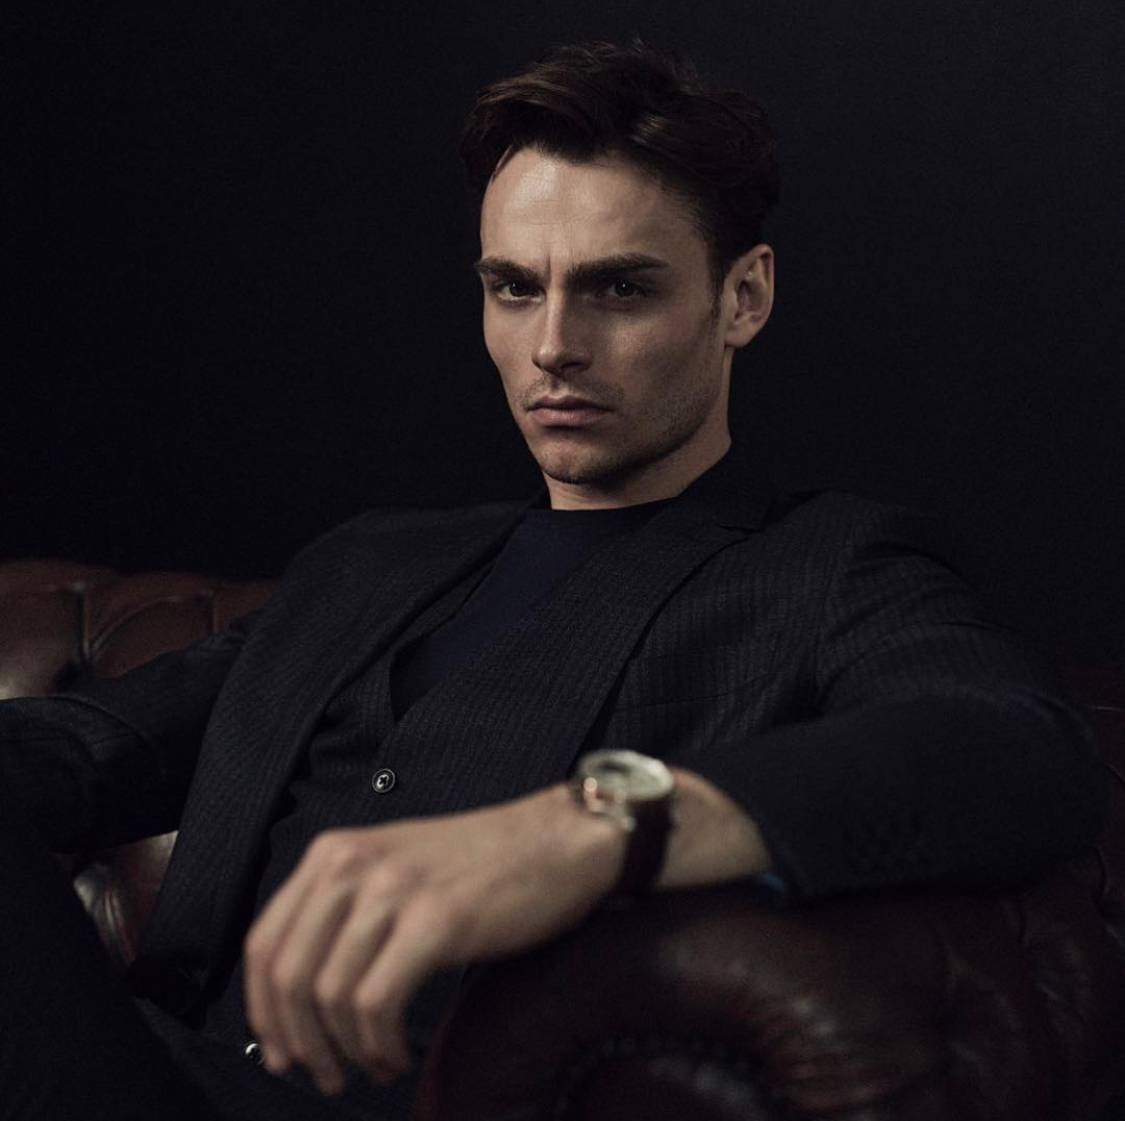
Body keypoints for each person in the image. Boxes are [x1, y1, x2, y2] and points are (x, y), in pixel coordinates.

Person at [0, 39, 1104, 1121]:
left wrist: (591, 827)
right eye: (514, 288)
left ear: (744, 297)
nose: (554, 345)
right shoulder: (368, 563)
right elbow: (77, 751)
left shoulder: (830, 569)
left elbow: (1012, 745)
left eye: (619, 288)